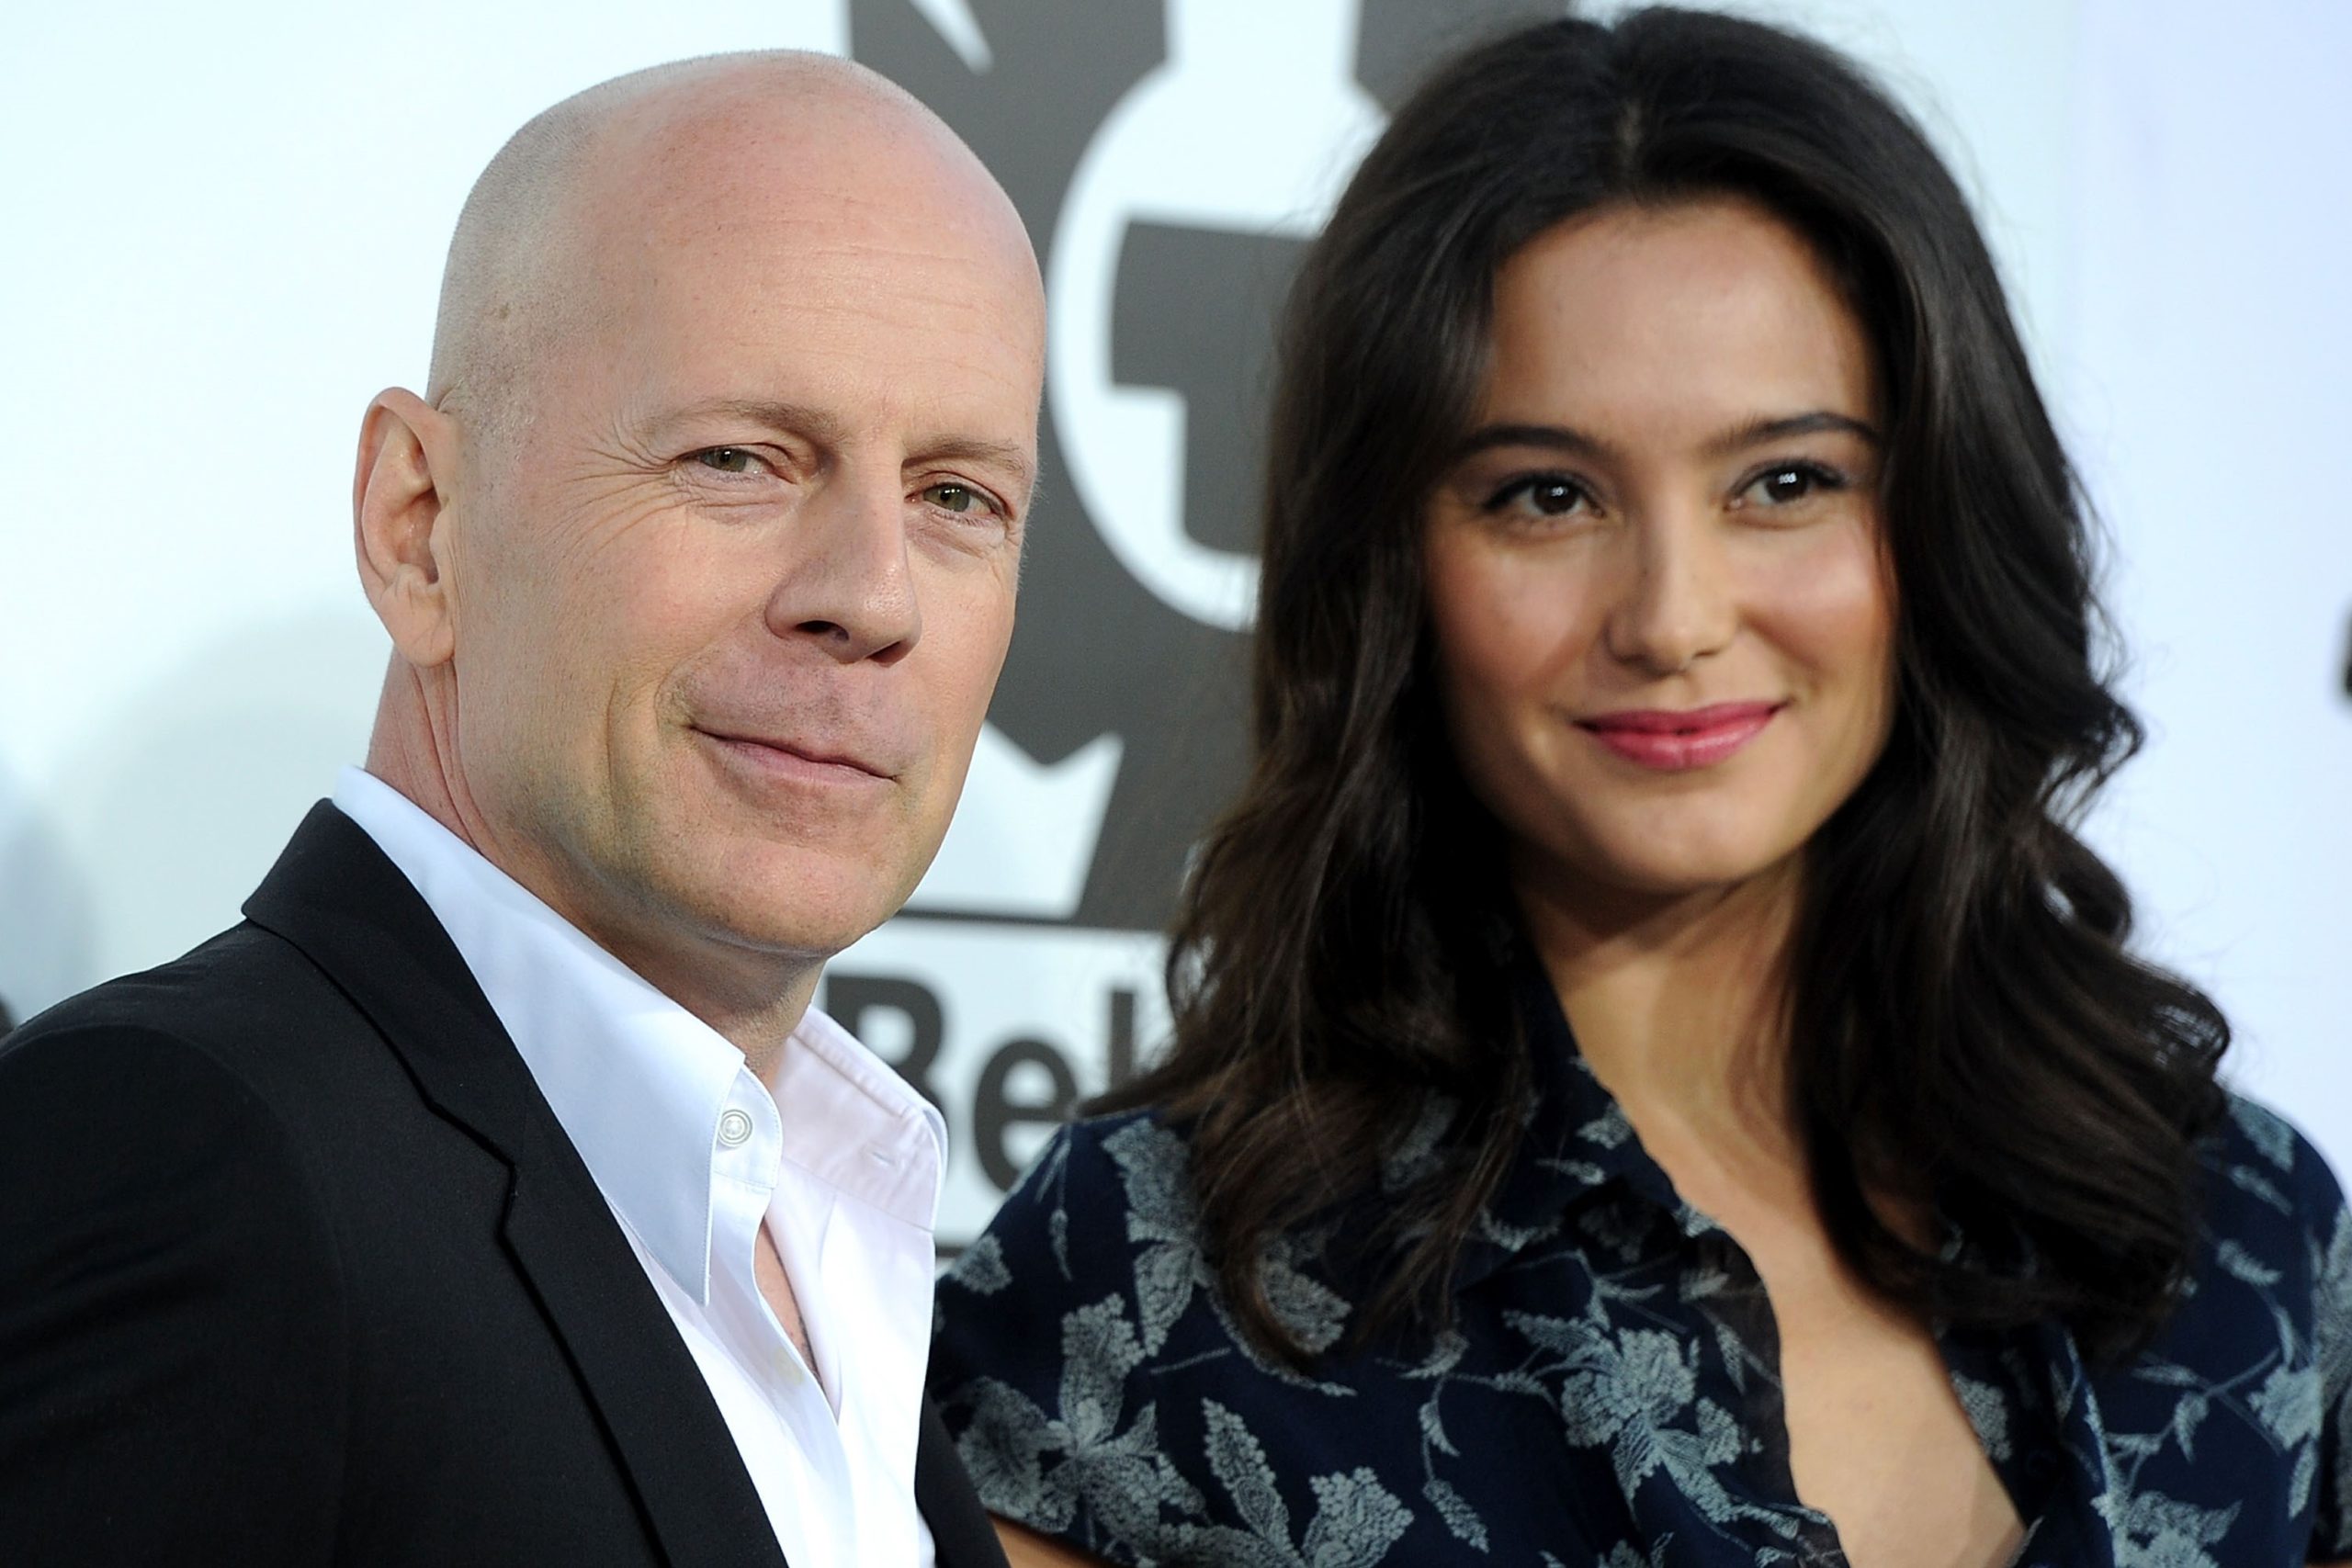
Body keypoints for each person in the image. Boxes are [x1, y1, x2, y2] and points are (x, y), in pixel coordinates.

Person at [929, 9, 2351, 1567]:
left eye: (1786, 482)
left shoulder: (2243, 1236)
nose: (1672, 618)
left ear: (1942, 518)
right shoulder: (1153, 1281)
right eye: (1547, 496)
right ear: (1391, 568)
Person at [0, 51, 1039, 1568]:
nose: (873, 598)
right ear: (418, 527)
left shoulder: (832, 1242)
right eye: (739, 460)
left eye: (956, 497)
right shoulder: (186, 1154)